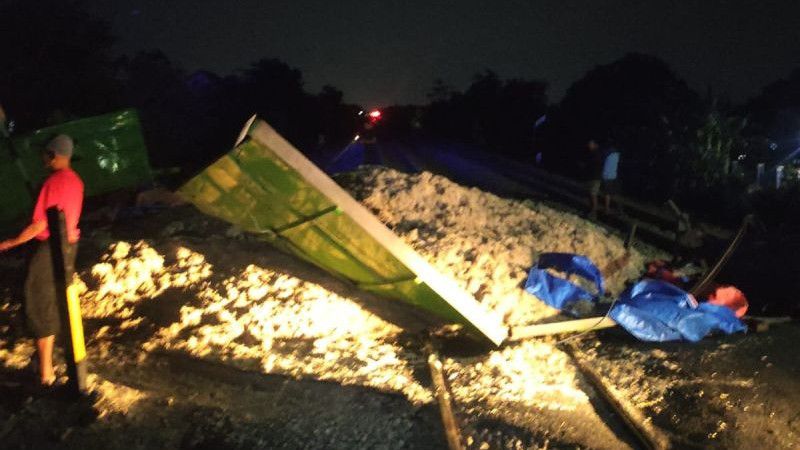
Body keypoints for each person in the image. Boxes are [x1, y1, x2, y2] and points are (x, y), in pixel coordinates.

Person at [0, 134, 84, 386]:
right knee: (54, 302)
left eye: (45, 153)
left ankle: (45, 373)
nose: (42, 158)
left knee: (39, 303)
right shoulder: (76, 181)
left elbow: (39, 224)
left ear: (53, 155)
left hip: (50, 248)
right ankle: (45, 364)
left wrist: (11, 243)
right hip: (69, 246)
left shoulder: (53, 182)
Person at [601, 144, 621, 214]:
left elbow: (603, 162)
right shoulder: (617, 155)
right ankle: (617, 208)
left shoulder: (608, 154)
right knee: (613, 193)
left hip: (607, 176)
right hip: (613, 176)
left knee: (607, 193)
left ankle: (607, 208)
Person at [586, 139, 603, 218]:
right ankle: (591, 211)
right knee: (591, 194)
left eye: (591, 144)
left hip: (596, 177)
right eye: (589, 144)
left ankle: (594, 213)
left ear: (595, 145)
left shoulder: (597, 153)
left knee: (593, 194)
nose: (589, 145)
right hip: (592, 177)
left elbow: (595, 165)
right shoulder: (592, 153)